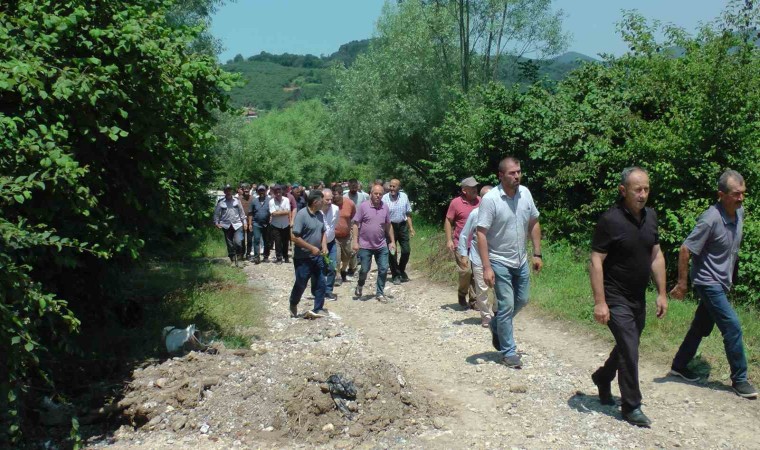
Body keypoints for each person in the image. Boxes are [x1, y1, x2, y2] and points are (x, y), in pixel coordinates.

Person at [589, 166, 668, 427]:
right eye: (638, 189)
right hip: (615, 295)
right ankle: (631, 406)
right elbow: (596, 261)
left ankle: (603, 376)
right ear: (623, 191)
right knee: (630, 347)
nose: (643, 194)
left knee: (627, 345)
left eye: (646, 189)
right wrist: (600, 302)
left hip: (637, 296)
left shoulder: (651, 217)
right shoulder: (610, 221)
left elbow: (656, 255)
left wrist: (662, 293)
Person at [669, 170, 756, 399]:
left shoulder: (739, 213)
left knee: (701, 326)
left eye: (743, 193)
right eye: (736, 194)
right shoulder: (711, 218)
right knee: (733, 327)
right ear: (721, 194)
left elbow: (731, 249)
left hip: (722, 281)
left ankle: (679, 365)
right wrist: (682, 284)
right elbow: (686, 248)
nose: (741, 198)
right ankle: (740, 380)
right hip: (708, 282)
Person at [476, 158, 542, 370]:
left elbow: (533, 221)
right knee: (507, 305)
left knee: (522, 299)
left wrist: (537, 253)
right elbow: (481, 233)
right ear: (500, 175)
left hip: (520, 259)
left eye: (519, 172)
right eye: (512, 173)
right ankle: (508, 352)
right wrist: (486, 266)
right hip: (499, 259)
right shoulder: (491, 199)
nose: (517, 176)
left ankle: (496, 325)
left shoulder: (526, 193)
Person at [352, 184, 396, 303]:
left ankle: (380, 293)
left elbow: (388, 225)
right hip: (365, 245)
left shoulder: (385, 207)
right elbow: (356, 224)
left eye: (380, 194)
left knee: (383, 268)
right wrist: (355, 241)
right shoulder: (363, 207)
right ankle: (360, 285)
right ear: (371, 194)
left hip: (381, 244)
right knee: (364, 270)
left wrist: (392, 241)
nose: (378, 196)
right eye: (375, 193)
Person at [289, 190, 328, 320]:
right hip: (303, 258)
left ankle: (318, 308)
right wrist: (311, 248)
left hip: (318, 257)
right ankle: (293, 302)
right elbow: (294, 237)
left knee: (321, 282)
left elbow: (323, 232)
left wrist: (324, 246)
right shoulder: (301, 215)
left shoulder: (320, 215)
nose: (324, 203)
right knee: (301, 283)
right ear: (315, 202)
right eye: (322, 201)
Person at [458, 185, 493, 327]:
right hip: (478, 257)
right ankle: (486, 316)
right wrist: (463, 255)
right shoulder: (475, 214)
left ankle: (497, 313)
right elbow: (464, 234)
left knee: (499, 288)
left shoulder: (499, 213)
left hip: (497, 257)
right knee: (482, 288)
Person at [445, 176, 481, 309]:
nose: (475, 190)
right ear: (464, 190)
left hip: (477, 244)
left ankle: (474, 300)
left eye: (476, 187)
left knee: (476, 272)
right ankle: (462, 293)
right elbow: (448, 221)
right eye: (472, 188)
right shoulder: (456, 203)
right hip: (460, 243)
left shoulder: (481, 201)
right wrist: (449, 240)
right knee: (466, 271)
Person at [382, 178, 415, 285]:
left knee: (406, 250)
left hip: (402, 226)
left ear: (399, 187)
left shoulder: (404, 196)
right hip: (389, 227)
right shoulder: (385, 198)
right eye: (390, 186)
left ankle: (401, 270)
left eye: (394, 186)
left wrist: (411, 228)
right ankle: (395, 275)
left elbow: (408, 213)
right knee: (392, 252)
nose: (391, 188)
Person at [213, 184, 247, 266]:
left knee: (238, 242)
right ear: (224, 192)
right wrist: (216, 223)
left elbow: (242, 213)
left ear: (231, 191)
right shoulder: (221, 202)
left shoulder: (237, 200)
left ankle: (239, 259)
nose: (228, 192)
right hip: (226, 225)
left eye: (229, 190)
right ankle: (232, 260)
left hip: (237, 224)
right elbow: (216, 214)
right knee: (230, 244)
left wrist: (244, 223)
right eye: (226, 190)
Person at [332, 184, 356, 287]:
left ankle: (343, 271)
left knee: (347, 256)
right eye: (333, 194)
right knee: (336, 257)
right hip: (334, 236)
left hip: (346, 235)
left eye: (335, 194)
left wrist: (353, 231)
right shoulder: (330, 205)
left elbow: (354, 217)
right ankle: (337, 275)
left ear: (341, 194)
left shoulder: (350, 203)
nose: (333, 197)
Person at [320, 188, 340, 301]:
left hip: (331, 242)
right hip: (318, 244)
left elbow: (335, 223)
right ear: (321, 199)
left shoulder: (336, 209)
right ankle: (319, 290)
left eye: (331, 199)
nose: (329, 202)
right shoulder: (317, 211)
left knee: (332, 266)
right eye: (327, 199)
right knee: (320, 268)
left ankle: (328, 291)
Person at [268, 185, 292, 264]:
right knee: (277, 242)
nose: (278, 194)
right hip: (276, 225)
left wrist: (279, 212)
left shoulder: (286, 200)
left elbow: (288, 211)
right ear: (274, 193)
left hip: (285, 224)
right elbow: (273, 213)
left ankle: (286, 257)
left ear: (282, 192)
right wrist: (283, 212)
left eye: (279, 192)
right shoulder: (271, 201)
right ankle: (279, 258)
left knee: (285, 242)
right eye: (276, 192)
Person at [248, 184, 271, 264]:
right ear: (257, 192)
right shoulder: (254, 201)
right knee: (256, 239)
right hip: (256, 223)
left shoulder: (270, 200)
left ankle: (266, 256)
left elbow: (272, 212)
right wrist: (250, 224)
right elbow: (250, 213)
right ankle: (256, 257)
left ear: (265, 191)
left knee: (266, 240)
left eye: (263, 190)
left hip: (267, 224)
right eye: (260, 190)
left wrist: (271, 219)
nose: (261, 192)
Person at [237, 183, 254, 260]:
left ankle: (248, 254)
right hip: (241, 222)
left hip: (251, 221)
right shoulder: (238, 199)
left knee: (250, 239)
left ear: (250, 190)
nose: (246, 190)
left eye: (248, 189)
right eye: (245, 189)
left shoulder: (253, 198)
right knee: (242, 239)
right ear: (242, 190)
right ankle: (242, 253)